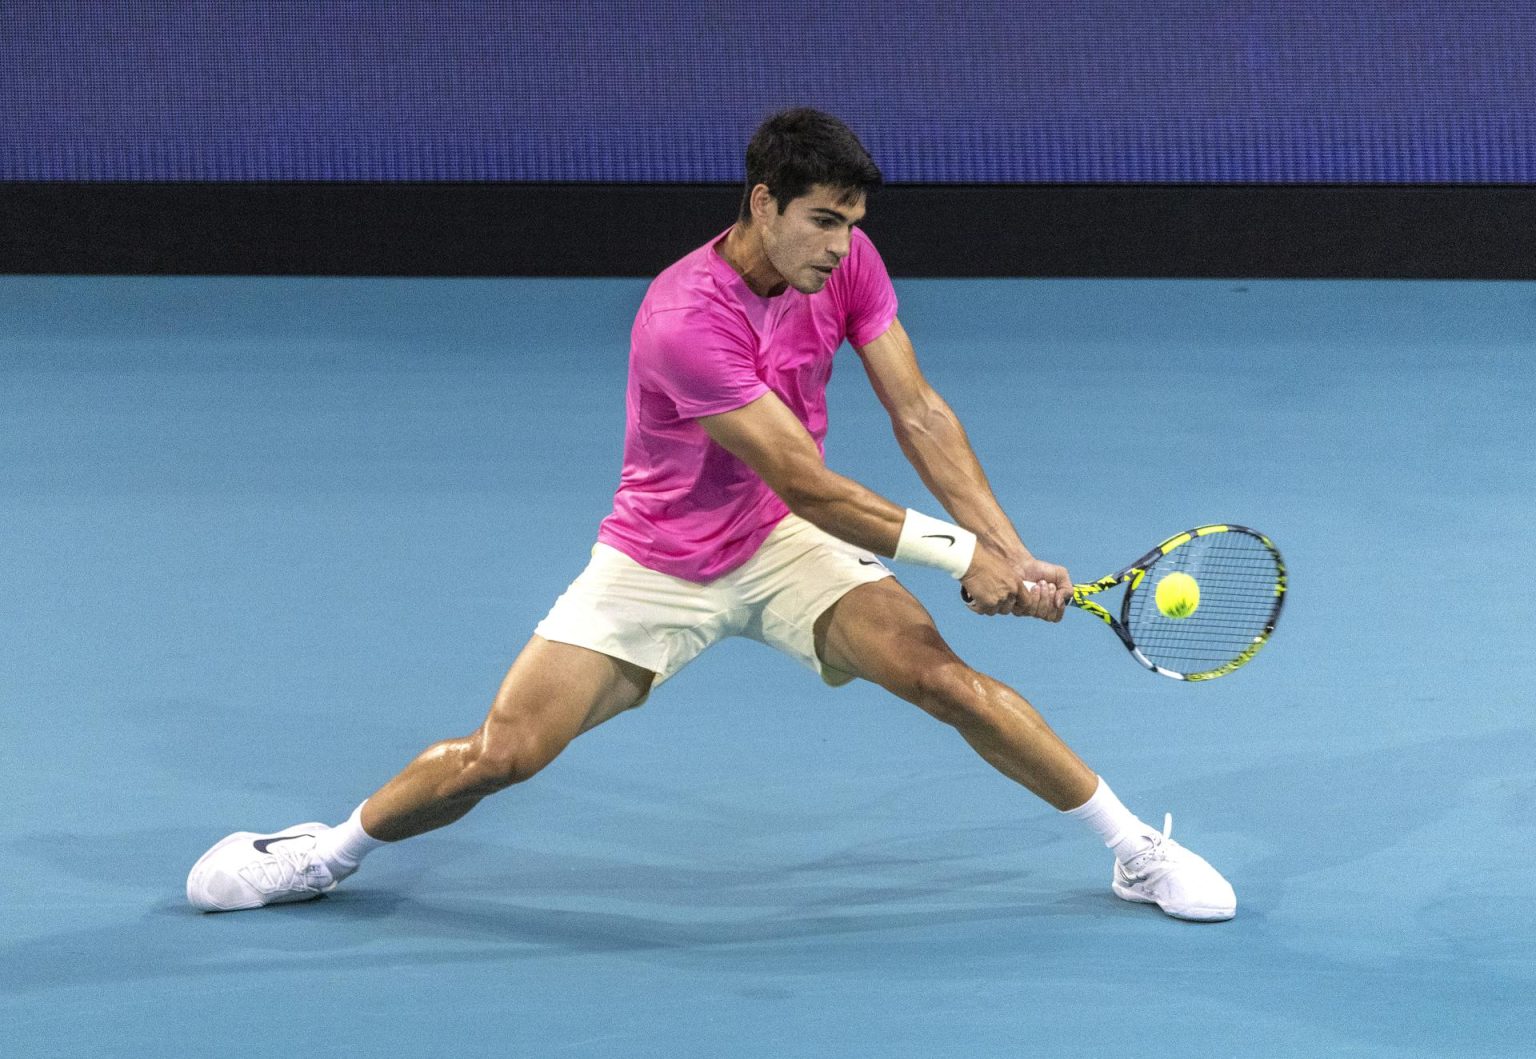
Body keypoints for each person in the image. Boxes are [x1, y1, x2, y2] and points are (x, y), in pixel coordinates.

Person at [187, 108, 1235, 922]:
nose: (839, 247)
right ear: (763, 201)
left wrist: (1009, 549)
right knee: (502, 755)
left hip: (786, 550)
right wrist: (963, 554)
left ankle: (1134, 850)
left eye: (854, 225)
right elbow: (809, 484)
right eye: (822, 221)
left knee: (945, 679)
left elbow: (917, 408)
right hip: (662, 561)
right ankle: (322, 856)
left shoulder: (846, 267)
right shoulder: (685, 319)